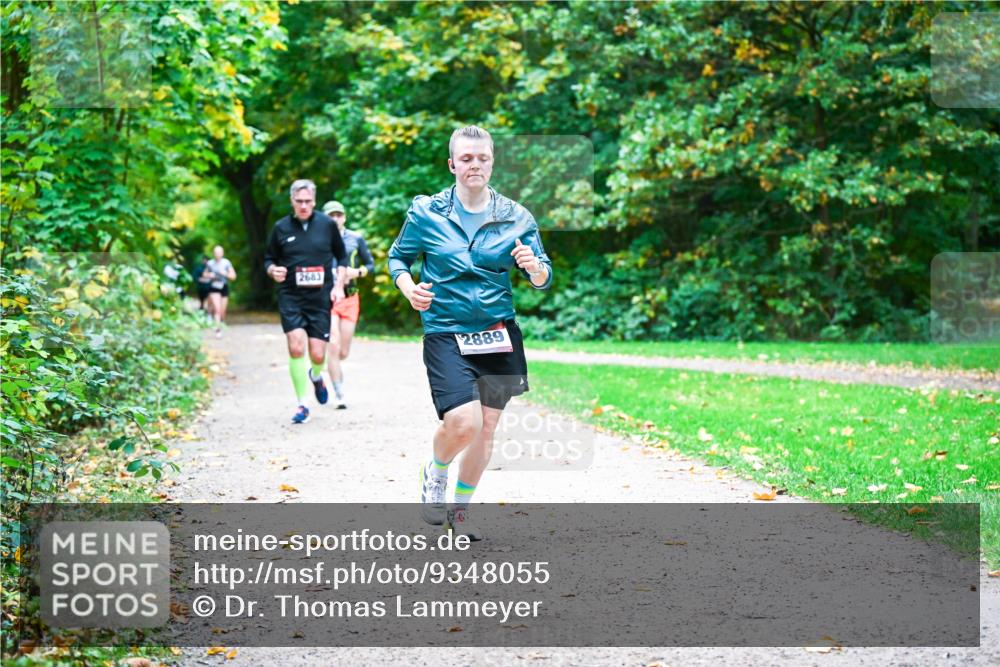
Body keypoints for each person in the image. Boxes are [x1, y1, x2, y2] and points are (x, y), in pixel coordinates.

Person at [388, 125, 553, 540]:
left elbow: (544, 274)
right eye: (466, 159)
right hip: (445, 329)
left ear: (492, 162)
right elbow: (398, 258)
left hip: (498, 331)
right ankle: (435, 469)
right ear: (452, 164)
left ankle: (459, 511)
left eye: (482, 158)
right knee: (463, 423)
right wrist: (409, 289)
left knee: (488, 428)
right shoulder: (427, 213)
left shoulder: (516, 217)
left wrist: (534, 269)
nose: (474, 164)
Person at [264, 179, 348, 425]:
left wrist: (339, 286)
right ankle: (302, 404)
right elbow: (269, 259)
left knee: (318, 353)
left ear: (314, 201)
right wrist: (273, 271)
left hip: (320, 296)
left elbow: (341, 257)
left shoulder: (327, 225)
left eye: (308, 201)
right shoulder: (280, 228)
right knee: (296, 346)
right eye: (299, 201)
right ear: (292, 201)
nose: (303, 206)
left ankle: (316, 374)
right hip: (290, 295)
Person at [321, 200, 375, 409]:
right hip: (328, 298)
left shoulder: (356, 238)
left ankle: (331, 370)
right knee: (333, 346)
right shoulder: (318, 239)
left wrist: (358, 272)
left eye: (338, 215)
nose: (335, 219)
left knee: (343, 351)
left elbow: (370, 264)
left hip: (350, 296)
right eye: (330, 216)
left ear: (344, 217)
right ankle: (339, 392)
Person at [204, 245, 236, 338]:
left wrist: (225, 273)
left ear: (222, 253)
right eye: (216, 252)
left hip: (223, 287)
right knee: (217, 309)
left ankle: (221, 322)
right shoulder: (210, 263)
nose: (217, 254)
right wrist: (210, 275)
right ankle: (218, 330)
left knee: (222, 311)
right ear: (213, 254)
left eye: (219, 252)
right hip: (214, 288)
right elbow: (204, 274)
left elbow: (233, 276)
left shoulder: (226, 263)